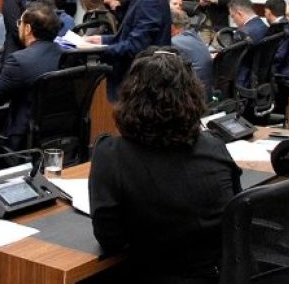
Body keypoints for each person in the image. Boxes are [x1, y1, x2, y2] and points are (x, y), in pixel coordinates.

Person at [89, 48, 240, 282]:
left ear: (129, 96)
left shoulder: (110, 155)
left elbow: (110, 239)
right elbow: (234, 212)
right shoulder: (214, 146)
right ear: (192, 96)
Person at [0, 3, 64, 149]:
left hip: (23, 138)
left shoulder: (19, 60)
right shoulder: (66, 55)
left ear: (28, 29)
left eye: (20, 23)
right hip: (58, 134)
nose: (19, 26)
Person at [84, 0, 172, 101]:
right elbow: (130, 34)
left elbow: (136, 46)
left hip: (141, 80)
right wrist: (100, 40)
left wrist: (99, 50)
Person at [170, 9, 213, 96]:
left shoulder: (174, 42)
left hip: (192, 97)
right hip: (206, 92)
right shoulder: (195, 36)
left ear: (172, 27)